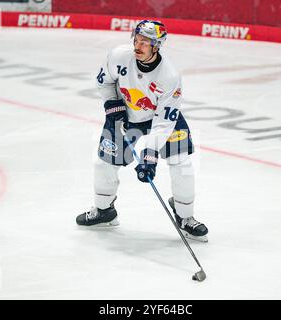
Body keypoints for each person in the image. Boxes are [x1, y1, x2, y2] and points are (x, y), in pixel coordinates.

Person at [76, 20, 208, 242]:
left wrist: (149, 155)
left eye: (145, 43)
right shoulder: (119, 56)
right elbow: (105, 82)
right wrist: (112, 104)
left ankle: (185, 217)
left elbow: (164, 122)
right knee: (104, 163)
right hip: (125, 116)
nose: (138, 45)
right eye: (136, 40)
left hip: (160, 120)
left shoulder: (170, 77)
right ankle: (104, 211)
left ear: (156, 46)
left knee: (181, 162)